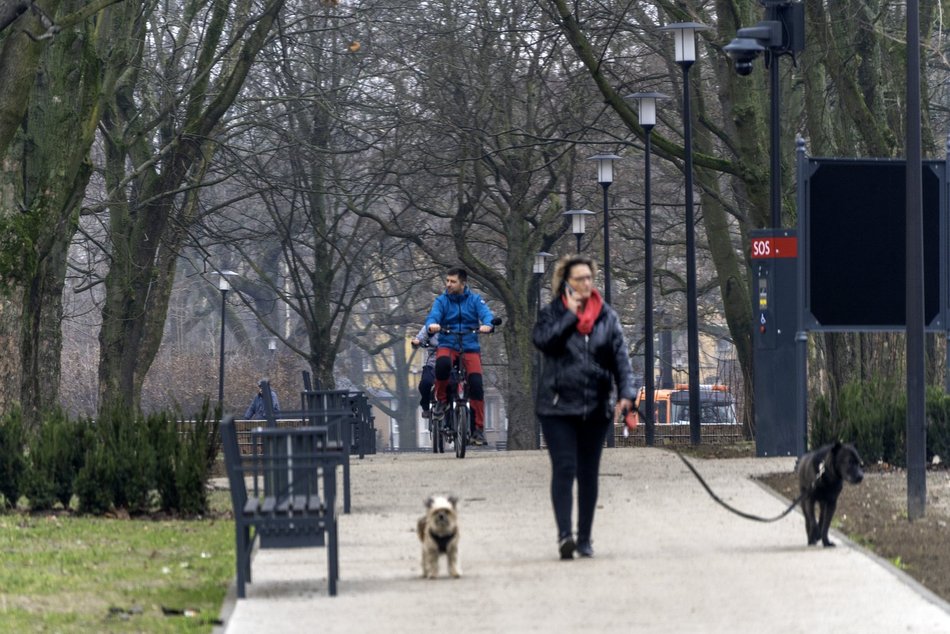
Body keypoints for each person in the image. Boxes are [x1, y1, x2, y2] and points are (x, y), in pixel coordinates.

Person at [532, 254, 635, 560]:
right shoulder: (551, 313)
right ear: (567, 283)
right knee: (565, 467)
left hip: (595, 407)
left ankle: (585, 538)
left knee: (589, 472)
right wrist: (569, 317)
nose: (585, 284)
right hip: (557, 407)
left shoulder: (607, 317)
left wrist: (626, 394)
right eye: (579, 279)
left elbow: (621, 359)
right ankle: (565, 535)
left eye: (589, 278)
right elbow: (544, 342)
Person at [424, 267, 495, 445]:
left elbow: (487, 315)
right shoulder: (442, 301)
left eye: (452, 281)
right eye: (447, 280)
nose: (448, 284)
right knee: (442, 364)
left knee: (477, 383)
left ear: (463, 283)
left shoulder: (475, 300)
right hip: (448, 342)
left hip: (470, 345)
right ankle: (442, 401)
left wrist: (488, 324)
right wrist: (432, 324)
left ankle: (478, 430)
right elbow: (433, 316)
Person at [410, 325, 439, 419]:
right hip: (432, 364)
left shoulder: (456, 324)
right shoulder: (431, 326)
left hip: (452, 364)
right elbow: (420, 337)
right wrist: (416, 342)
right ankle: (426, 407)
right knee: (425, 384)